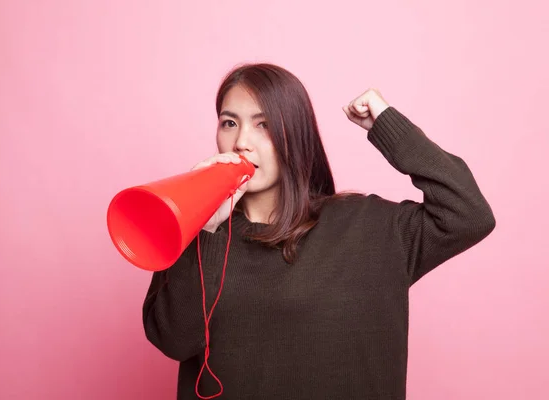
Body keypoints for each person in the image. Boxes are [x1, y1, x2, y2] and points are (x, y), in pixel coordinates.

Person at [142, 63, 496, 400]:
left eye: (263, 125)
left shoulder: (368, 228)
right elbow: (173, 340)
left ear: (295, 135)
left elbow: (468, 214)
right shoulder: (195, 232)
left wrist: (387, 125)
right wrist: (206, 228)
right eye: (229, 123)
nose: (241, 143)